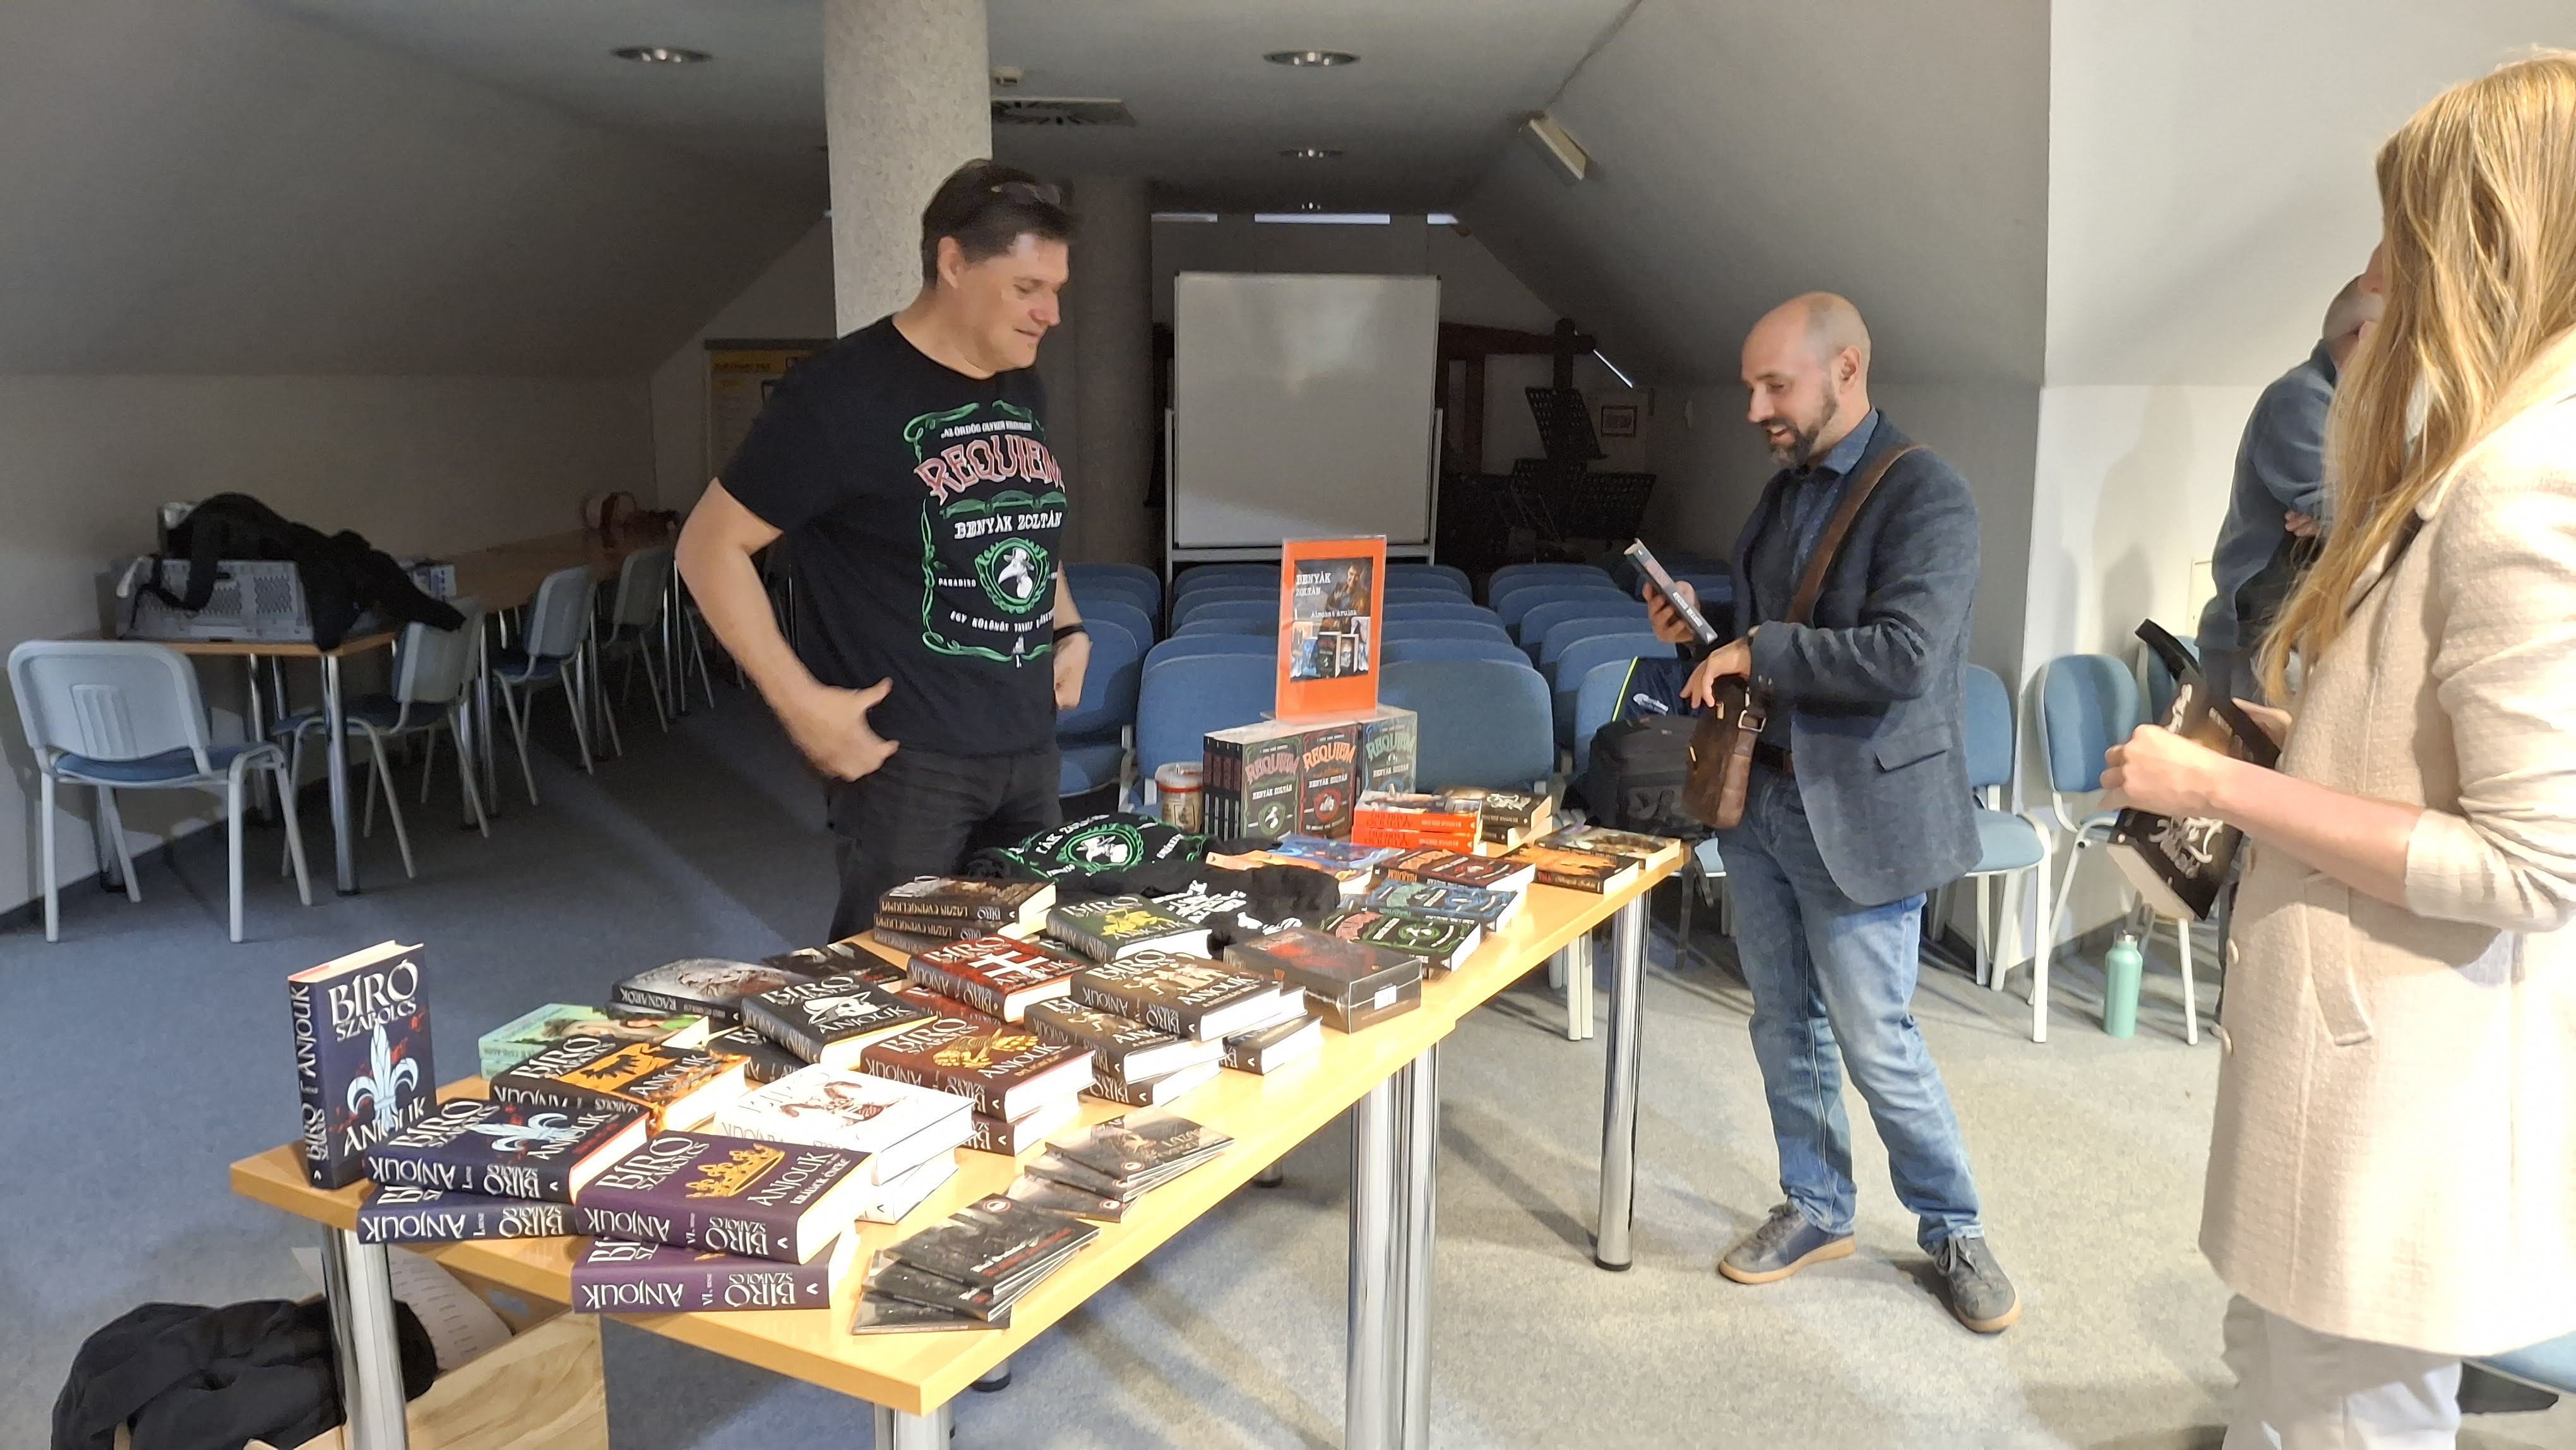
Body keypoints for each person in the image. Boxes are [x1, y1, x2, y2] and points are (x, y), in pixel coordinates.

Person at [2102, 51, 2576, 1445]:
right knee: (2276, 1382)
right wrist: (2299, 743)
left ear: (2484, 235)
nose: (2378, 269)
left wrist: (2220, 785)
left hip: (2395, 1094)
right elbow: (2430, 742)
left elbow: (2531, 863)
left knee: (2340, 1418)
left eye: (2400, 231)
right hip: (2352, 1069)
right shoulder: (2489, 452)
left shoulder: (2526, 482)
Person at [1647, 293, 2016, 1333]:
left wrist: (1754, 646)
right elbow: (1772, 636)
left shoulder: (1929, 493)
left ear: (1846, 369)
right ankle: (1816, 1205)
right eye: (1750, 388)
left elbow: (1904, 656)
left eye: (1776, 385)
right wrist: (1702, 630)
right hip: (1762, 801)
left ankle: (1954, 1226)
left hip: (1862, 811)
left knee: (1876, 1039)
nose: (1756, 408)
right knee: (1781, 1022)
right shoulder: (1784, 493)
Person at [677, 159, 1088, 941]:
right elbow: (708, 547)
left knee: (1030, 964)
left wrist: (1066, 626)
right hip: (908, 762)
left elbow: (1022, 519)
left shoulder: (1019, 381)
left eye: (1056, 290)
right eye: (1028, 288)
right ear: (954, 262)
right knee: (892, 977)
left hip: (1027, 745)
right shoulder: (839, 395)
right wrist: (800, 706)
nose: (1051, 313)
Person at [2195, 276, 2385, 704]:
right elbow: (2343, 511)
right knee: (2265, 750)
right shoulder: (2299, 399)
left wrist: (2343, 512)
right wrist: (2341, 513)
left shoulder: (2355, 404)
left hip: (2302, 632)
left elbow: (2377, 500)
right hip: (2265, 640)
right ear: (2367, 334)